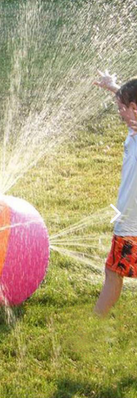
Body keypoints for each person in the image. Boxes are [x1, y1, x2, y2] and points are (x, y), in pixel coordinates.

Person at [93, 71, 137, 317]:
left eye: (121, 108)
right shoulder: (133, 132)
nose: (119, 113)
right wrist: (114, 87)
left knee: (113, 272)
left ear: (133, 107)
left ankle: (96, 320)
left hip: (130, 225)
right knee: (113, 271)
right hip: (129, 222)